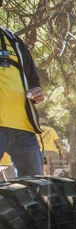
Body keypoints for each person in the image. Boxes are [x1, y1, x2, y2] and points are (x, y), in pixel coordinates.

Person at [0, 21, 45, 176]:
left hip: (24, 129)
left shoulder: (14, 41)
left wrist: (37, 92)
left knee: (36, 190)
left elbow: (33, 81)